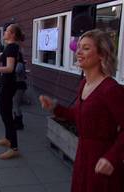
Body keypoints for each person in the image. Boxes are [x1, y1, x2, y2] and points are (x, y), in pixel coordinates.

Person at [40, 29, 124, 192]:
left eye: (85, 48)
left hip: (103, 163)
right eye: (79, 47)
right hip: (83, 158)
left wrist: (112, 157)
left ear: (101, 54)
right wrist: (55, 107)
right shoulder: (84, 84)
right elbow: (78, 115)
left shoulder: (111, 89)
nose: (78, 51)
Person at [0, 24, 25, 159]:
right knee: (3, 112)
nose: (4, 33)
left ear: (11, 34)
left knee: (6, 115)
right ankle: (7, 138)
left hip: (9, 85)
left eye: (6, 31)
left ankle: (14, 148)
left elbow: (10, 68)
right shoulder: (8, 47)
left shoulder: (12, 48)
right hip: (5, 83)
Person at [13, 52, 27, 130]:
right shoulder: (16, 63)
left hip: (20, 86)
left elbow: (15, 72)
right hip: (16, 85)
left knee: (16, 104)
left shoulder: (19, 64)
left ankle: (20, 123)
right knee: (15, 104)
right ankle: (16, 120)